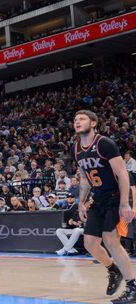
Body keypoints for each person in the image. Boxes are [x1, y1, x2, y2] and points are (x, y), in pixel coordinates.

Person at [74, 110, 135, 303]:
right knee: (90, 243)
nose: (77, 122)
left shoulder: (104, 143)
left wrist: (125, 203)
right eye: (75, 119)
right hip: (99, 197)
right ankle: (113, 269)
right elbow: (84, 177)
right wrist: (81, 203)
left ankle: (132, 287)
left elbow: (122, 173)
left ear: (93, 123)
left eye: (82, 119)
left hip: (117, 195)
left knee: (110, 240)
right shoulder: (76, 148)